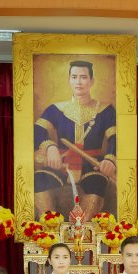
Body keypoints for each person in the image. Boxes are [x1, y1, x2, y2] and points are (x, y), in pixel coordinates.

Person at [34, 60, 116, 221]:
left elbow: (115, 138)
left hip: (91, 164)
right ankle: (50, 232)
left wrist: (110, 159)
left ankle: (82, 234)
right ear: (69, 80)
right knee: (39, 179)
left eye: (83, 77)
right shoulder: (55, 109)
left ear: (91, 81)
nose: (78, 82)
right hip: (62, 164)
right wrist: (50, 147)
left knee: (97, 183)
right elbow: (37, 130)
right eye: (74, 77)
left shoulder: (106, 110)